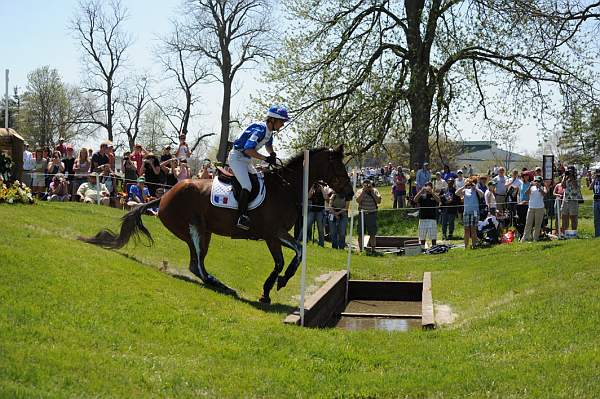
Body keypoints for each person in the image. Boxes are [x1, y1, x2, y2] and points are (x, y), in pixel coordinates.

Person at [228, 105, 288, 230]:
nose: (282, 124)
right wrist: (265, 159)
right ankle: (241, 217)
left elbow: (268, 145)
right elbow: (248, 149)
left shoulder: (269, 132)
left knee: (258, 182)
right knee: (247, 186)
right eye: (281, 121)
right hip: (237, 158)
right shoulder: (260, 130)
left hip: (245, 159)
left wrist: (272, 153)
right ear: (272, 120)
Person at [456, 178, 484, 249]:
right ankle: (466, 246)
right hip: (466, 212)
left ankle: (474, 245)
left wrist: (475, 187)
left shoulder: (475, 190)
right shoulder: (464, 190)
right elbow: (456, 193)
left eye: (470, 183)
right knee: (466, 229)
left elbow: (482, 195)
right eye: (467, 183)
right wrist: (463, 186)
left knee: (473, 229)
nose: (469, 185)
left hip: (475, 211)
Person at [356, 179, 381, 253]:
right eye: (365, 184)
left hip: (372, 214)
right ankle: (361, 250)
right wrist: (364, 191)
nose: (367, 185)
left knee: (372, 233)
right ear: (362, 185)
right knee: (360, 233)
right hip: (362, 214)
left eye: (368, 184)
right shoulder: (359, 191)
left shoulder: (375, 190)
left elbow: (378, 201)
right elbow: (358, 200)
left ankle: (373, 250)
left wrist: (372, 192)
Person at [521, 176, 548, 242]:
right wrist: (530, 186)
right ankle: (525, 238)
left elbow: (544, 194)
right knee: (528, 223)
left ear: (541, 182)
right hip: (531, 207)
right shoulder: (531, 187)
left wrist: (539, 187)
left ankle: (535, 238)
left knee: (537, 224)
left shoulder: (543, 187)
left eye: (538, 181)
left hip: (540, 208)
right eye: (536, 181)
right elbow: (526, 193)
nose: (537, 182)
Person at [416, 182, 440, 247]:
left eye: (430, 186)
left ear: (432, 187)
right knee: (422, 236)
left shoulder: (434, 195)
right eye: (427, 186)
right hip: (422, 218)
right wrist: (421, 191)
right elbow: (415, 199)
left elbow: (438, 200)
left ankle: (434, 248)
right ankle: (422, 248)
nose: (428, 188)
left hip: (432, 218)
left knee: (433, 236)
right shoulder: (422, 195)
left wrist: (432, 192)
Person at [561, 165, 582, 234]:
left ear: (573, 171)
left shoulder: (577, 177)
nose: (569, 172)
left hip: (573, 200)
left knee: (573, 217)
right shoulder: (565, 177)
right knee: (564, 217)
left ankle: (573, 233)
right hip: (565, 200)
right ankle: (564, 234)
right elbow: (563, 186)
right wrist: (564, 176)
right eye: (568, 170)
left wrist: (572, 177)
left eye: (570, 171)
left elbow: (576, 186)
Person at [307, 181, 328, 247]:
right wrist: (312, 187)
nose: (318, 187)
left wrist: (321, 188)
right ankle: (301, 240)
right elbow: (308, 196)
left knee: (320, 228)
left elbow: (326, 198)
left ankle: (321, 243)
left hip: (320, 212)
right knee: (306, 225)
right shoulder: (313, 190)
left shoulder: (323, 191)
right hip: (312, 211)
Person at [589, 168, 600, 237]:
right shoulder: (595, 180)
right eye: (597, 173)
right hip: (595, 201)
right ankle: (597, 235)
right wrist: (594, 179)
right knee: (596, 219)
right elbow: (590, 188)